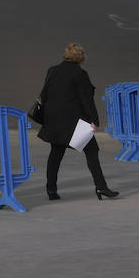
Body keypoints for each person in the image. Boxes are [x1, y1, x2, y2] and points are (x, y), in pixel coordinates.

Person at [36, 43, 119, 201]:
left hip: (54, 120)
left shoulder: (52, 70)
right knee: (92, 151)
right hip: (73, 122)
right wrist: (94, 121)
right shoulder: (80, 74)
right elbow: (86, 100)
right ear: (81, 58)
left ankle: (51, 190)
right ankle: (101, 187)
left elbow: (44, 94)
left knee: (56, 153)